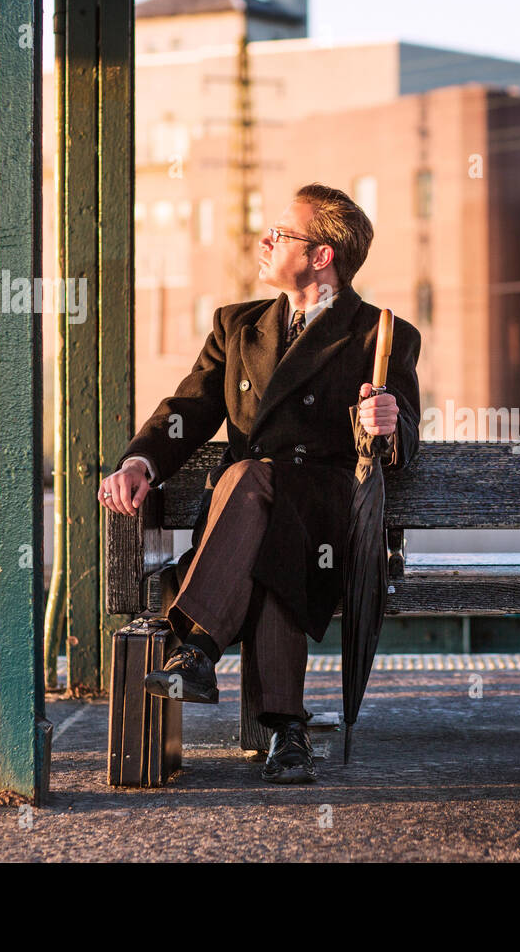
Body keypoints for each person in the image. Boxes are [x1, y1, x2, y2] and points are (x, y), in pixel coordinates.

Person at [97, 183, 422, 784]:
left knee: (257, 486)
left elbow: (402, 442)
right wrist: (141, 461)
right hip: (251, 520)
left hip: (328, 517)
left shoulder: (382, 335)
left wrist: (387, 421)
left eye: (283, 232)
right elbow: (187, 409)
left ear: (321, 255)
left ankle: (194, 645)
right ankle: (287, 734)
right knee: (270, 539)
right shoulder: (237, 325)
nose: (265, 240)